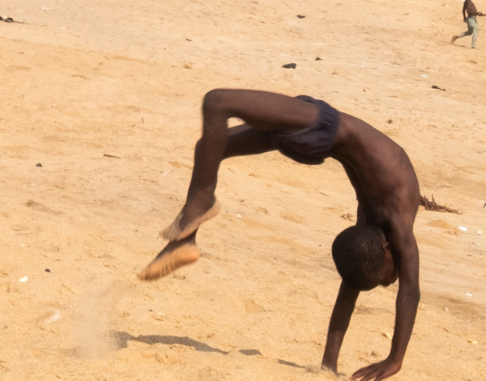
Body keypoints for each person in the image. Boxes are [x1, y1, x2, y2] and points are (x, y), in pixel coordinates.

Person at [141, 90, 422, 380]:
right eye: (391, 276)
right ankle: (193, 222)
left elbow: (349, 290)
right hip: (322, 129)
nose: (393, 279)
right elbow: (410, 293)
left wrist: (331, 364)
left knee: (214, 122)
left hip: (318, 134)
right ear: (388, 250)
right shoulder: (398, 220)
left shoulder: (373, 226)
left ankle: (193, 221)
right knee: (213, 125)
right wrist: (394, 359)